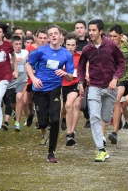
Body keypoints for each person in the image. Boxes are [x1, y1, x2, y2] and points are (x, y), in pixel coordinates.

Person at [77, 19, 125, 162]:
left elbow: (122, 63)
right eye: (89, 30)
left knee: (104, 117)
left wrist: (115, 78)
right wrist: (81, 83)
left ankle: (103, 137)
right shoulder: (87, 49)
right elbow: (80, 67)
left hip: (110, 87)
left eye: (93, 30)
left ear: (100, 31)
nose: (91, 33)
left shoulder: (111, 46)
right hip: (94, 86)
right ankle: (101, 149)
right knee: (94, 117)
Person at [26, 24, 74, 163]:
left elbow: (70, 76)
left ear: (60, 36)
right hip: (39, 90)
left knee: (55, 120)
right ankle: (37, 116)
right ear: (48, 37)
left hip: (54, 89)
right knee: (43, 122)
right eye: (50, 34)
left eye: (55, 33)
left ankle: (51, 152)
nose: (53, 36)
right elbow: (28, 65)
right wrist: (34, 79)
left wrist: (64, 73)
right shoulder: (41, 51)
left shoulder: (66, 54)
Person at [107, 24, 128, 144]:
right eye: (110, 36)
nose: (112, 38)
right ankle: (116, 121)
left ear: (121, 36)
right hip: (111, 78)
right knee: (112, 103)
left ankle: (115, 132)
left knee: (117, 101)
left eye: (115, 36)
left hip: (124, 79)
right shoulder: (108, 47)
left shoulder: (127, 45)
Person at [61, 33, 82, 146]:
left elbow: (84, 70)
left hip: (74, 85)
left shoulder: (80, 57)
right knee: (64, 109)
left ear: (76, 45)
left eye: (73, 45)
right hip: (60, 85)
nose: (70, 47)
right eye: (68, 44)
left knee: (70, 105)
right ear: (64, 44)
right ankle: (65, 121)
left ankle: (70, 133)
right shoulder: (60, 55)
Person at [73, 20, 90, 129]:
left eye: (81, 27)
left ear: (85, 29)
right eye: (77, 27)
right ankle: (66, 118)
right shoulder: (71, 42)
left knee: (84, 101)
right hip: (72, 75)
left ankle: (88, 118)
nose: (79, 29)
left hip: (86, 75)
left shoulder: (89, 44)